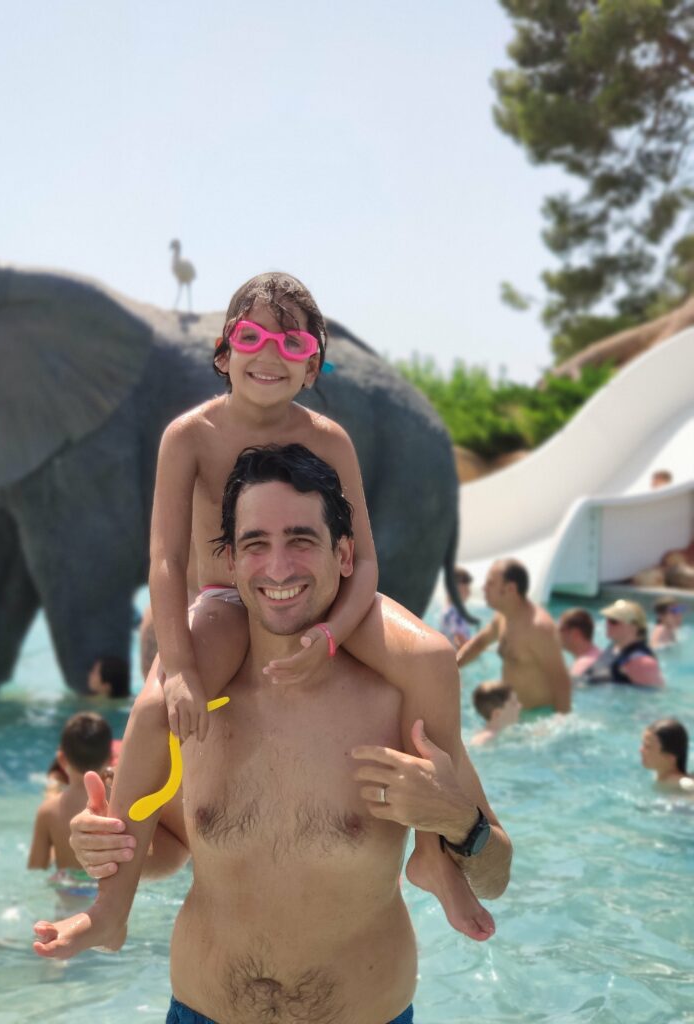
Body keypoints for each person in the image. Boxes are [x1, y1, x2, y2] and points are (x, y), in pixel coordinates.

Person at [51, 272, 483, 941]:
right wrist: (181, 668)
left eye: (292, 343)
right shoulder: (190, 436)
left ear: (313, 366)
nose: (270, 354)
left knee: (429, 656)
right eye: (252, 337)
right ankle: (111, 908)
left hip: (332, 596)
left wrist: (333, 634)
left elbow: (365, 562)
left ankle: (433, 855)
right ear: (224, 352)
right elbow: (165, 561)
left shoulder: (329, 440)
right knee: (155, 707)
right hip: (230, 598)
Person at [33, 444, 512, 1023]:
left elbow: (496, 877)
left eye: (301, 540)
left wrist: (458, 822)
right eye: (256, 544)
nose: (278, 568)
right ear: (231, 562)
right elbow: (172, 847)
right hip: (201, 1011)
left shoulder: (397, 701)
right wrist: (106, 846)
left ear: (343, 554)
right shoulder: (197, 700)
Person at [457, 559, 571, 715]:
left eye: (490, 583)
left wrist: (557, 723)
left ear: (510, 588)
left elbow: (561, 681)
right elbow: (479, 644)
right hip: (513, 713)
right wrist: (449, 668)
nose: (484, 588)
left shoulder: (538, 628)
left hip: (538, 717)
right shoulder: (503, 617)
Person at [28, 712, 114, 894]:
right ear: (110, 757)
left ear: (61, 759)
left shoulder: (48, 810)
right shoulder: (118, 802)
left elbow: (37, 867)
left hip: (69, 889)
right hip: (109, 888)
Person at [584, 600, 664, 688]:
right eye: (607, 619)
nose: (607, 624)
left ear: (633, 626)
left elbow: (653, 694)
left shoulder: (642, 662)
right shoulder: (614, 647)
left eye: (613, 621)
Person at [640, 718, 694, 794]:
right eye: (643, 744)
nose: (641, 750)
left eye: (648, 747)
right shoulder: (658, 776)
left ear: (670, 756)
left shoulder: (685, 785)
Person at [469, 680, 521, 747]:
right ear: (497, 713)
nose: (519, 706)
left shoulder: (505, 731)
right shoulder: (485, 739)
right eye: (514, 704)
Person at [558, 607, 601, 680]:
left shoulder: (582, 667)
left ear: (575, 634)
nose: (556, 634)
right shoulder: (598, 655)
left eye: (560, 630)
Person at [440, 566, 474, 648]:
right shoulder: (454, 613)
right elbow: (461, 642)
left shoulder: (447, 610)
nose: (468, 590)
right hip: (458, 655)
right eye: (465, 584)